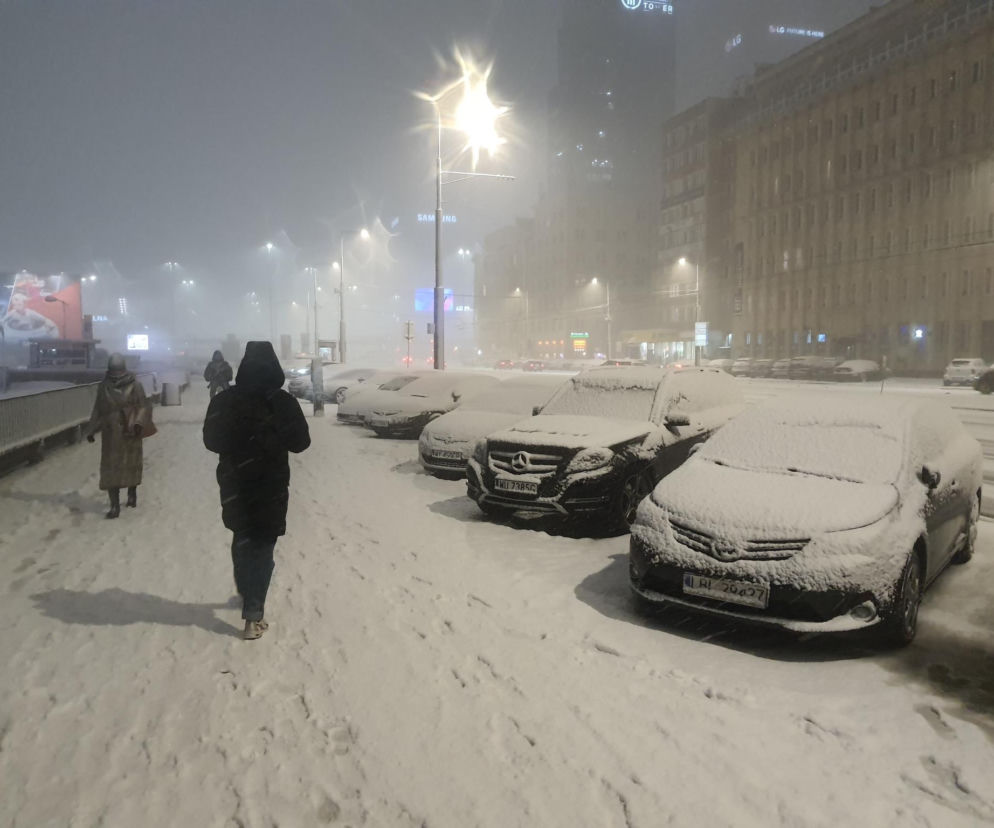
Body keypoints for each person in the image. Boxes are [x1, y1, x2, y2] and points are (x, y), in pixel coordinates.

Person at [203, 341, 310, 640]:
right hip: (271, 483)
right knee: (263, 543)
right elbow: (301, 443)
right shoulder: (284, 403)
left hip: (235, 482)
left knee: (242, 538)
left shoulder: (225, 401)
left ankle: (247, 591)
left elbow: (211, 440)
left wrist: (239, 441)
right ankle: (253, 612)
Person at [86, 353, 147, 518]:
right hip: (111, 431)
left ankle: (132, 493)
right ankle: (115, 506)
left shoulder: (135, 385)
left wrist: (138, 424)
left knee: (130, 463)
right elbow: (98, 409)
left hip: (130, 428)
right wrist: (91, 429)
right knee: (111, 467)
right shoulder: (104, 386)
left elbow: (142, 406)